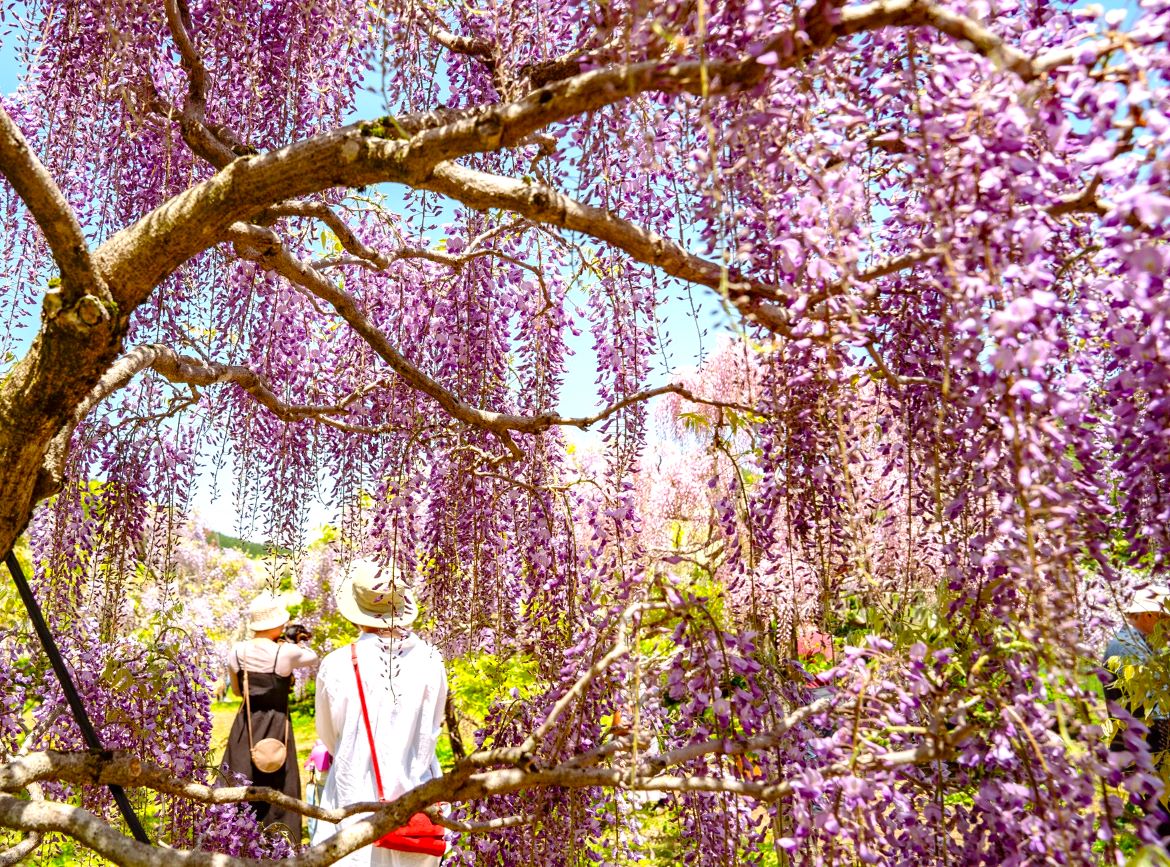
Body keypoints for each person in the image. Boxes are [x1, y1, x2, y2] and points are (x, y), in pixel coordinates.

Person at [311, 559, 448, 867]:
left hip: (352, 797)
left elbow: (329, 736)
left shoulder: (337, 663)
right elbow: (432, 727)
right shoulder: (431, 659)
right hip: (418, 801)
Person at [221, 590, 318, 840]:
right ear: (277, 624)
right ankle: (279, 840)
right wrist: (294, 642)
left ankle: (237, 838)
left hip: (246, 726)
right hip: (277, 724)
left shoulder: (237, 651)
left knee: (240, 780)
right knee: (279, 783)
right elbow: (312, 657)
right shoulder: (285, 652)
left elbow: (236, 691)